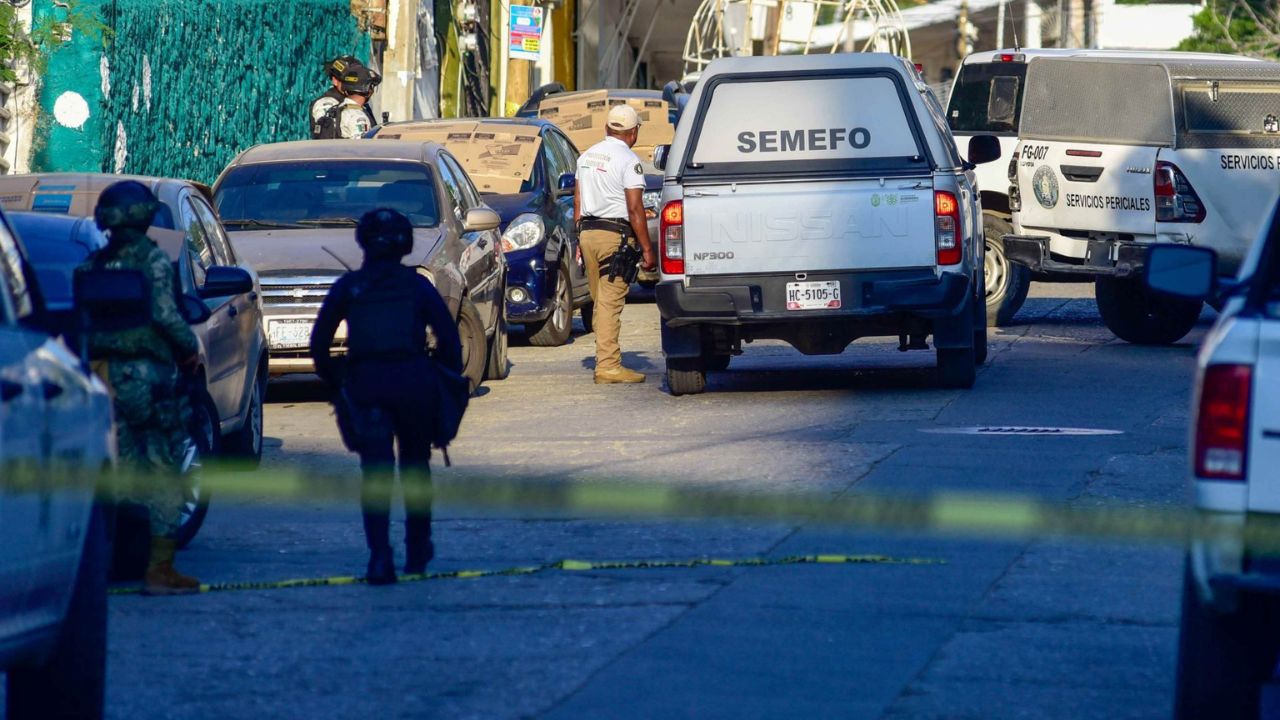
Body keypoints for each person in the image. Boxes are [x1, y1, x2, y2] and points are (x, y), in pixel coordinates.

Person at [309, 208, 463, 585]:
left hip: (367, 386)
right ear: (404, 243)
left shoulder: (350, 287)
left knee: (375, 474)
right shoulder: (417, 287)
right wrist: (442, 381)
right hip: (413, 385)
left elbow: (319, 346)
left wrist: (339, 385)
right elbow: (450, 344)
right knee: (415, 467)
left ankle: (380, 557)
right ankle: (417, 549)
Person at [79, 180, 201, 596]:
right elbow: (167, 316)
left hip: (101, 379)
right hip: (148, 379)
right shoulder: (153, 261)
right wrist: (190, 348)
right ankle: (160, 569)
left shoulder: (91, 265)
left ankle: (115, 561)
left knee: (120, 473)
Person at [573, 104, 657, 384]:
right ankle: (608, 366)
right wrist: (647, 249)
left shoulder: (585, 157)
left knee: (600, 301)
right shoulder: (628, 160)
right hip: (614, 237)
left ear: (607, 128)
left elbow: (578, 203)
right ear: (633, 133)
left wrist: (578, 239)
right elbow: (635, 209)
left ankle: (604, 356)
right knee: (609, 303)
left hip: (587, 234)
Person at [310, 55, 360, 139]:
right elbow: (327, 137)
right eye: (348, 79)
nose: (354, 84)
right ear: (335, 81)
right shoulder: (325, 104)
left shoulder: (356, 100)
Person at [333, 64, 382, 139]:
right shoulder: (358, 117)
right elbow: (361, 147)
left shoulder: (337, 109)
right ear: (368, 89)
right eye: (371, 86)